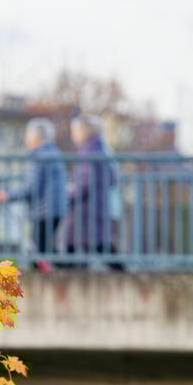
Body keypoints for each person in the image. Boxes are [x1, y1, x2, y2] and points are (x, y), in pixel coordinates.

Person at [0, 117, 67, 271]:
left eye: (28, 134)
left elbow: (32, 188)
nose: (26, 138)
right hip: (56, 209)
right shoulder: (54, 153)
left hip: (44, 211)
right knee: (46, 249)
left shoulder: (38, 156)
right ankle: (66, 271)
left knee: (39, 251)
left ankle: (64, 275)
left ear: (36, 137)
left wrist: (8, 195)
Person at [61, 114, 121, 269]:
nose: (72, 135)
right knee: (97, 244)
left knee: (74, 243)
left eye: (74, 131)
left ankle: (68, 279)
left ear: (83, 131)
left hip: (86, 208)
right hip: (97, 205)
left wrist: (70, 193)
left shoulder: (88, 150)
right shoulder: (101, 148)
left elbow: (86, 181)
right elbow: (112, 177)